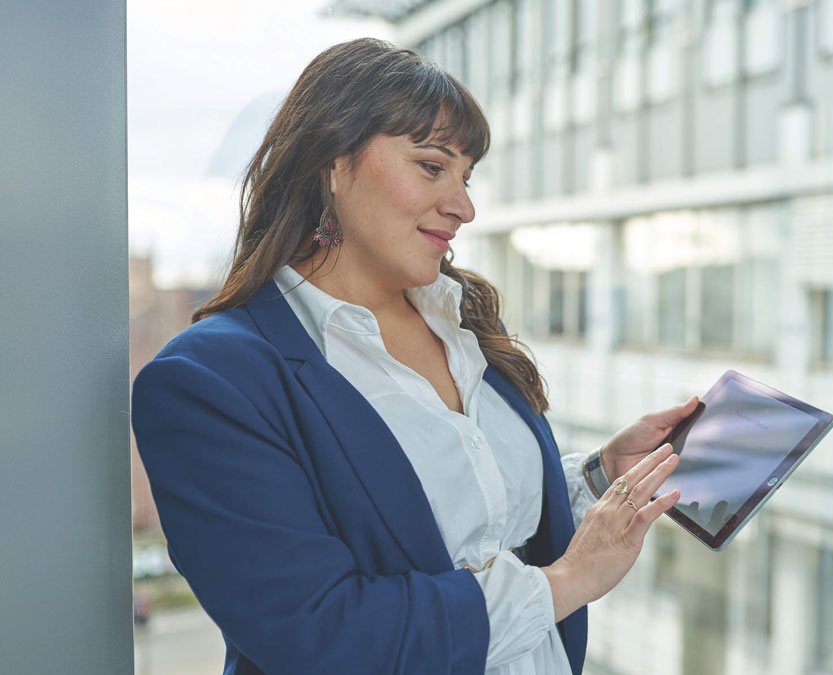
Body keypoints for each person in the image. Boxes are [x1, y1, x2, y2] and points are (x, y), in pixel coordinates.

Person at [131, 38, 700, 675]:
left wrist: (601, 477)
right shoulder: (210, 382)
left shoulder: (463, 320)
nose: (464, 207)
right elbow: (319, 634)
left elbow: (478, 532)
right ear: (333, 165)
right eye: (432, 166)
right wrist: (569, 580)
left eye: (466, 177)